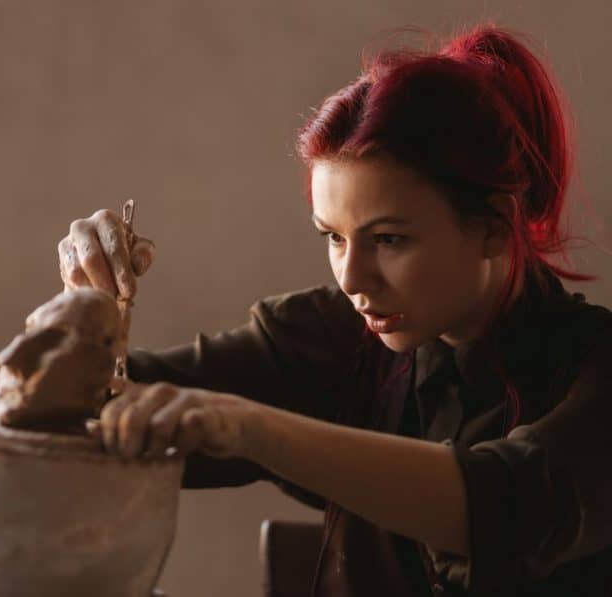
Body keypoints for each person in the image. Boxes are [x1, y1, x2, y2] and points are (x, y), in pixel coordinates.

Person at [56, 25, 612, 596]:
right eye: (335, 238)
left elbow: (504, 506)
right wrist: (84, 310)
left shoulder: (594, 372)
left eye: (390, 240)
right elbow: (71, 416)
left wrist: (251, 427)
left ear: (494, 230)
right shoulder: (334, 337)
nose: (351, 279)